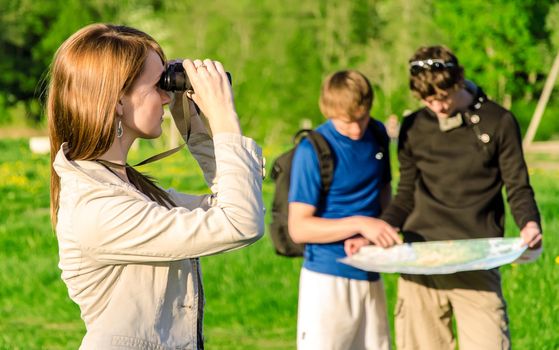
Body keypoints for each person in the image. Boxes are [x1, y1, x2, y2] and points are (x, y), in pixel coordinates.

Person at [47, 23, 264, 349]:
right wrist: (223, 117)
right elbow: (240, 222)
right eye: (157, 85)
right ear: (118, 101)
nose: (167, 96)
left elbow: (237, 200)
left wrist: (195, 123)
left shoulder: (123, 187)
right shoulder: (98, 208)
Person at [380, 45, 542, 350]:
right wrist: (384, 227)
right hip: (421, 260)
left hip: (477, 259)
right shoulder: (413, 127)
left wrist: (530, 224)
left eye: (443, 97)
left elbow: (518, 186)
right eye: (428, 100)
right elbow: (405, 193)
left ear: (458, 81)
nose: (438, 107)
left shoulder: (498, 121)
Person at [288, 70, 402, 350]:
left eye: (362, 117)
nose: (356, 129)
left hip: (372, 270)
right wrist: (361, 224)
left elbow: (384, 191)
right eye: (347, 122)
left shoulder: (377, 134)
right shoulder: (312, 149)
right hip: (327, 278)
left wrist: (379, 229)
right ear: (329, 112)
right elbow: (298, 228)